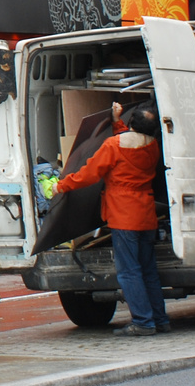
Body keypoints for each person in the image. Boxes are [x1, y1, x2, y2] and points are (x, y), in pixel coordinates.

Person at [55, 106, 168, 336]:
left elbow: (90, 173)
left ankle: (143, 322)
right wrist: (118, 124)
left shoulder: (113, 145)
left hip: (123, 214)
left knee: (129, 272)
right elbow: (131, 142)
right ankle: (159, 319)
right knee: (148, 271)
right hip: (146, 214)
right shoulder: (152, 145)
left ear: (132, 122)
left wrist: (62, 185)